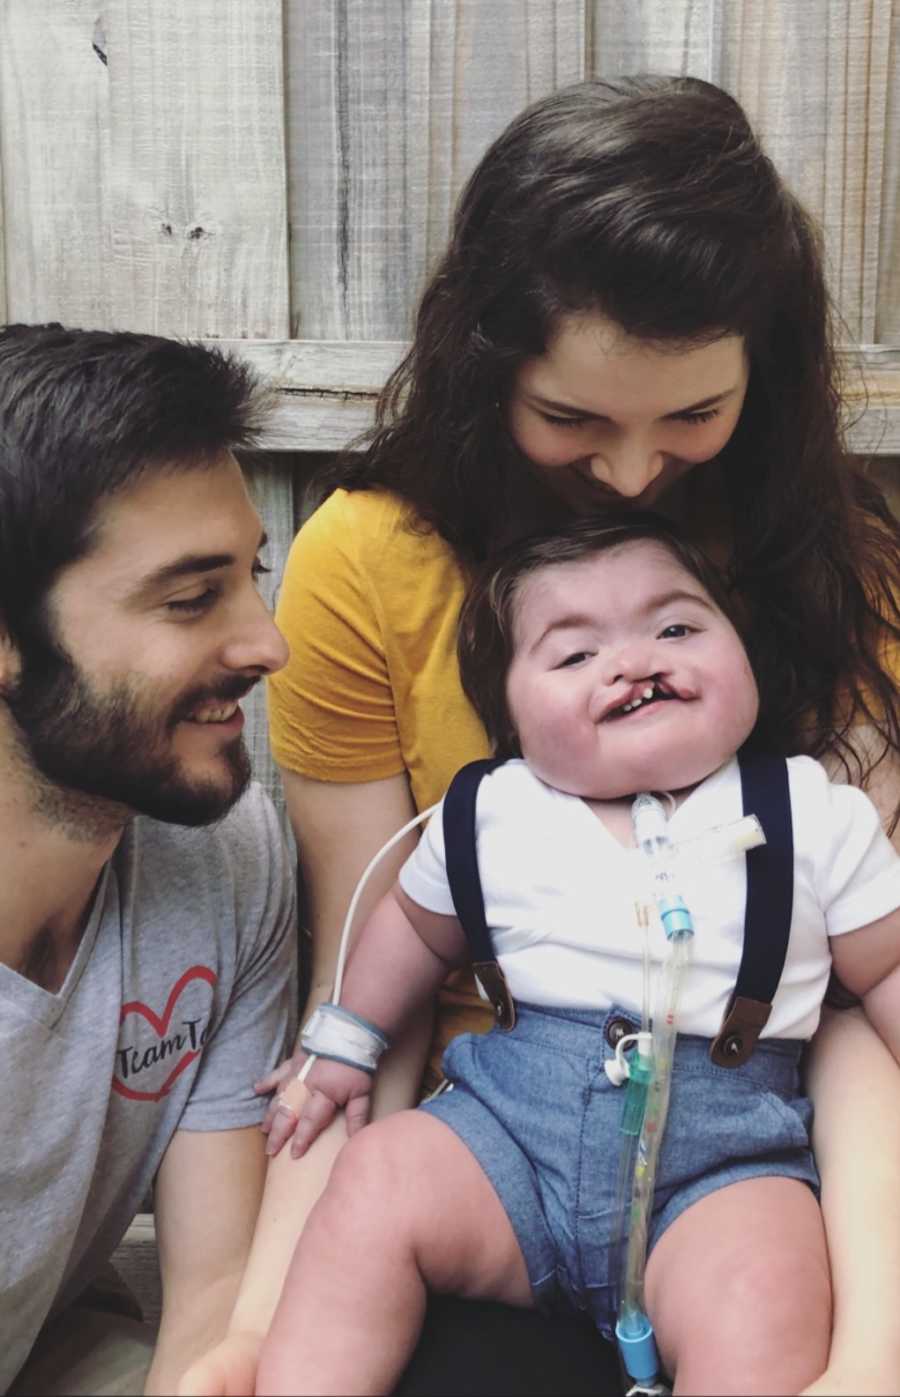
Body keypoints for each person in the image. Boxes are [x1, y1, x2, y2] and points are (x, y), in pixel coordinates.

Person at [182, 75, 900, 1397]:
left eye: (693, 416)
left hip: (765, 1158)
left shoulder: (833, 566)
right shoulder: (367, 559)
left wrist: (867, 1358)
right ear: (489, 362)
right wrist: (258, 1320)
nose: (633, 473)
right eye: (574, 419)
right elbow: (372, 977)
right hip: (485, 1136)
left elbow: (861, 999)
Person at [256, 514, 900, 1396]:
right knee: (378, 1178)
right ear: (511, 717)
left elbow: (887, 967)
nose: (633, 661)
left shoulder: (810, 813)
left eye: (676, 627)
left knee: (771, 1289)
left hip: (719, 1171)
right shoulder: (490, 812)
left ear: (743, 655)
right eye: (573, 656)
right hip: (506, 1145)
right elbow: (408, 930)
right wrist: (344, 1042)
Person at [0, 324, 296, 1397]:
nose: (268, 641)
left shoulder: (224, 853)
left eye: (248, 577)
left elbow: (214, 1300)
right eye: (189, 598)